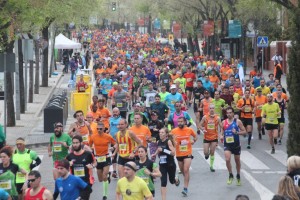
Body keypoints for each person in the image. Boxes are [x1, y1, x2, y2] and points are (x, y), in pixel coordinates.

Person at [89, 121, 117, 200]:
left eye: (100, 129)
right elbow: (89, 146)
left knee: (104, 176)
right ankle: (107, 177)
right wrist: (90, 151)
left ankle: (105, 195)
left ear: (104, 128)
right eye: (97, 128)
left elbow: (115, 143)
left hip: (106, 157)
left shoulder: (108, 136)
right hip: (98, 158)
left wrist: (113, 148)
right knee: (100, 179)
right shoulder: (93, 137)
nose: (99, 130)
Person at [170, 117, 197, 197]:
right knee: (182, 171)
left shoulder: (189, 130)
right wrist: (172, 142)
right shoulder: (174, 131)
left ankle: (185, 188)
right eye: (178, 122)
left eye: (181, 121)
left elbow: (195, 137)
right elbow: (169, 138)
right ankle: (186, 179)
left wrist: (193, 141)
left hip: (188, 153)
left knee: (186, 169)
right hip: (179, 154)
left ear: (185, 122)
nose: (179, 123)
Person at [151, 128, 179, 200]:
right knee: (163, 182)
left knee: (171, 181)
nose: (160, 134)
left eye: (162, 132)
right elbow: (158, 149)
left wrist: (164, 150)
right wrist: (155, 154)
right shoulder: (158, 142)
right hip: (162, 165)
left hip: (170, 164)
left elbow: (173, 153)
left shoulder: (168, 141)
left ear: (166, 134)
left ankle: (176, 179)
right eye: (160, 132)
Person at [221, 107, 246, 186]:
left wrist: (237, 132)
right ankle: (230, 174)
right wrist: (221, 136)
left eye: (230, 112)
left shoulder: (237, 121)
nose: (228, 114)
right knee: (227, 159)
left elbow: (244, 131)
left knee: (237, 161)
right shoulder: (223, 122)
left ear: (233, 113)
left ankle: (238, 175)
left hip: (236, 145)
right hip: (227, 144)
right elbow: (221, 132)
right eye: (227, 113)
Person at [66, 135, 96, 200]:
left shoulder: (88, 154)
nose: (75, 145)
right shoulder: (69, 156)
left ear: (81, 143)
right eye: (73, 143)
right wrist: (68, 164)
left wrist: (92, 166)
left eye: (77, 143)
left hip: (86, 182)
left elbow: (95, 162)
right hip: (74, 183)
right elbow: (63, 167)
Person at [199, 104, 222, 172]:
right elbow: (200, 125)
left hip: (214, 137)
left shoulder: (217, 118)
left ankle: (211, 166)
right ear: (209, 109)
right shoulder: (205, 117)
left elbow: (221, 126)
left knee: (212, 152)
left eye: (213, 108)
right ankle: (207, 155)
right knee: (206, 152)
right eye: (210, 108)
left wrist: (221, 134)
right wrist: (203, 129)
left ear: (214, 109)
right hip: (206, 137)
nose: (212, 109)